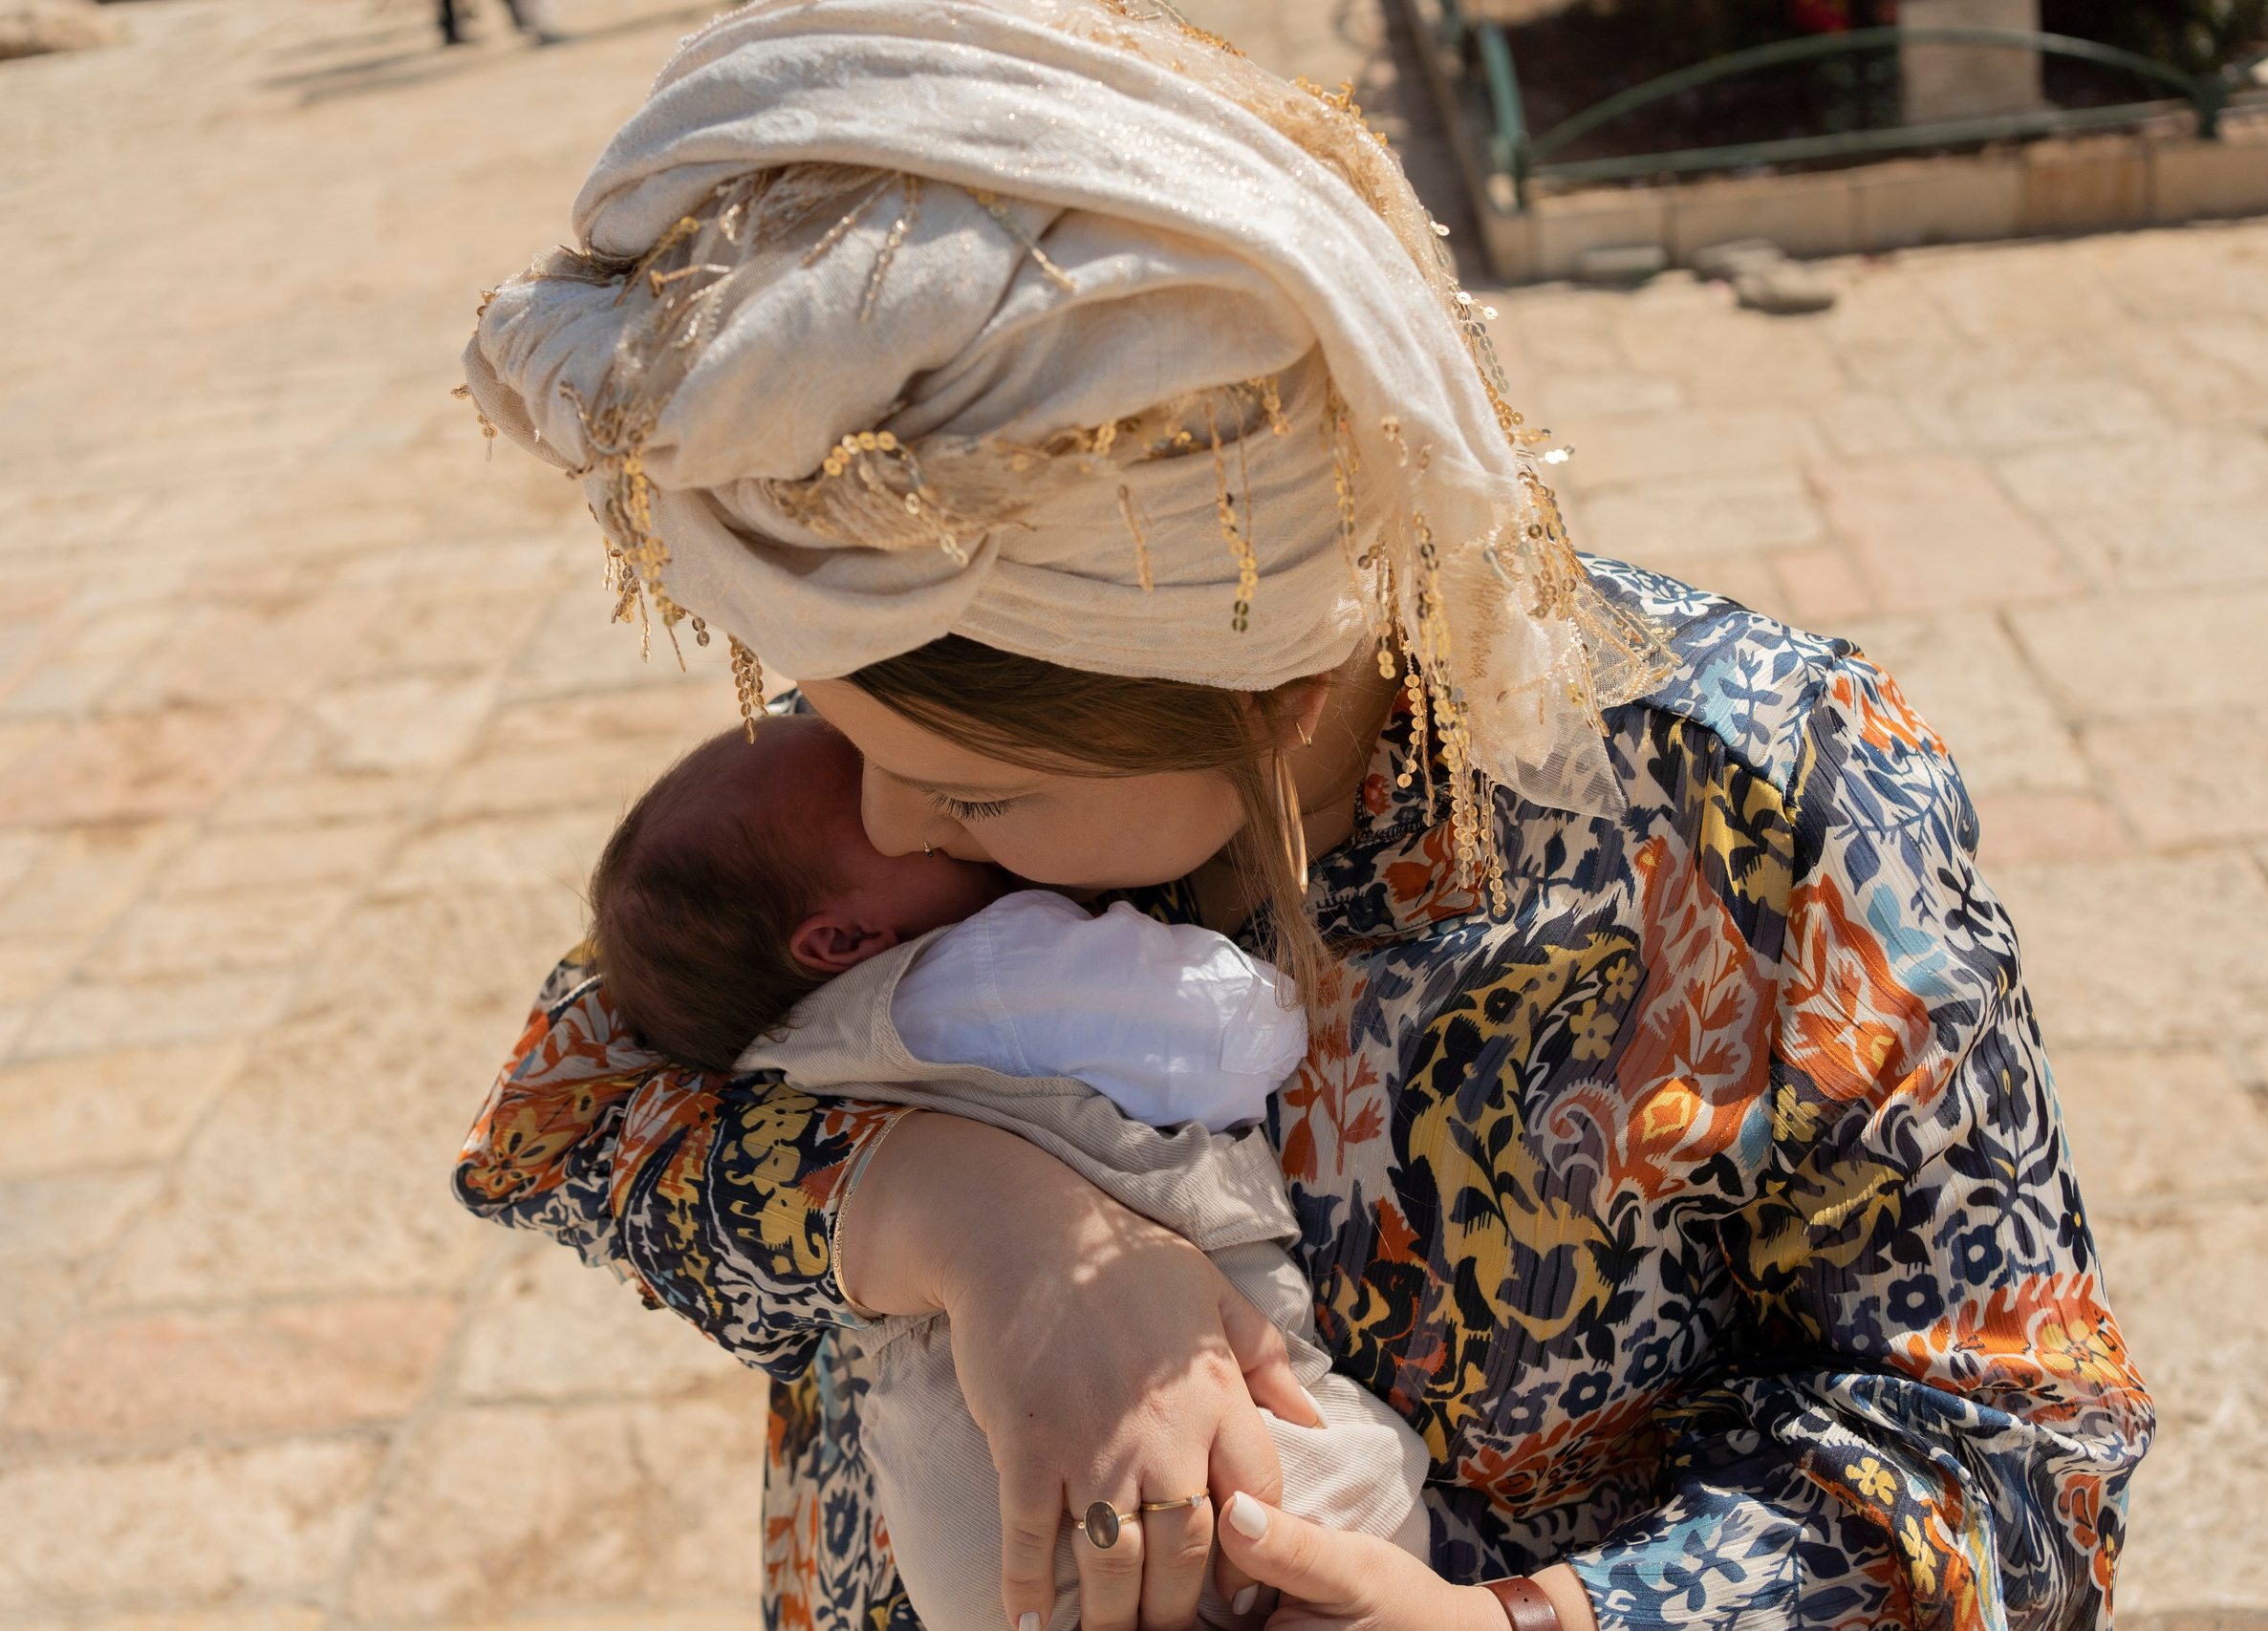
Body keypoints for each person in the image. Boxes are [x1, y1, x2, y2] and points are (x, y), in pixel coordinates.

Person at [454, 1, 2152, 1628]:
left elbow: (2014, 1452)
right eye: (842, 729)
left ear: (1260, 693)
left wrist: (1529, 1620)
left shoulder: (1761, 797)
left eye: (975, 789)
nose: (890, 822)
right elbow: (568, 1112)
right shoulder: (953, 656)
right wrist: (976, 1223)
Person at [581, 712, 1436, 1631]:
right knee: (1368, 1512)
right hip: (1190, 1453)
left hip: (947, 1512)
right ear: (838, 938)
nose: (896, 807)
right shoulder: (986, 968)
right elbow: (1230, 1029)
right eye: (865, 789)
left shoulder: (776, 1042)